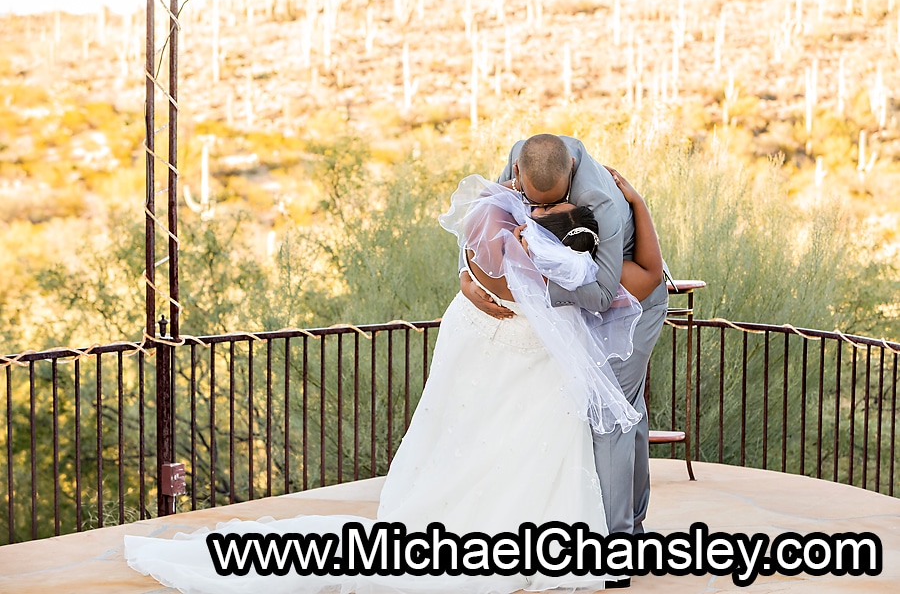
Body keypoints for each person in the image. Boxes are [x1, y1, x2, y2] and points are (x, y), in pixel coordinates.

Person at [124, 173, 656, 593]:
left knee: (477, 444)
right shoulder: (577, 274)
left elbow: (476, 247)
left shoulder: (492, 251)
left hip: (490, 363)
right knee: (529, 452)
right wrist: (636, 203)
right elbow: (650, 277)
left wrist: (476, 264)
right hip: (539, 377)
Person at [461, 136, 668, 574]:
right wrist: (467, 273)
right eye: (530, 203)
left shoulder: (604, 201)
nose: (534, 213)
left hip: (630, 305)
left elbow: (601, 294)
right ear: (517, 170)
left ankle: (616, 551)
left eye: (547, 205)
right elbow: (485, 219)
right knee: (626, 411)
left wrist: (530, 281)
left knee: (607, 417)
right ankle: (633, 529)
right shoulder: (520, 161)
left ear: (571, 168)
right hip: (585, 303)